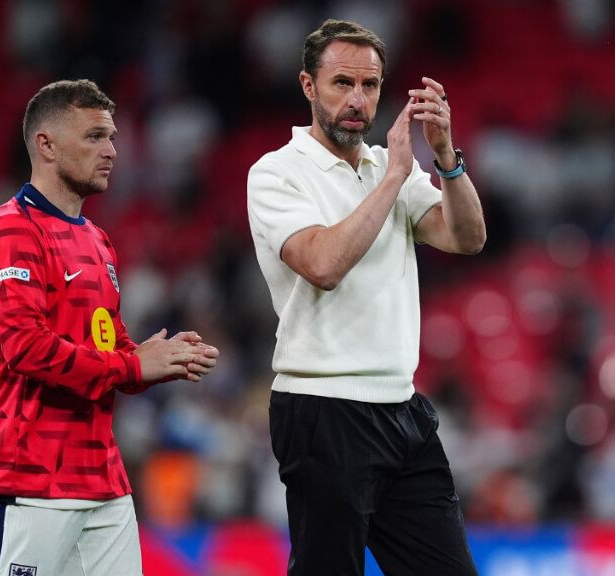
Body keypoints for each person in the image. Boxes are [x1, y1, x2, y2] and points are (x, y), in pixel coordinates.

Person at [247, 19, 486, 575]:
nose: (358, 100)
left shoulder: (387, 167)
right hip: (321, 407)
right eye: (342, 83)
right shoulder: (277, 173)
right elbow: (323, 265)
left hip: (401, 407)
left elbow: (467, 238)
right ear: (309, 86)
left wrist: (446, 158)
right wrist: (396, 175)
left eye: (371, 86)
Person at [0, 79, 219, 576]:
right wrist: (130, 363)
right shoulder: (10, 228)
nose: (112, 151)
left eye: (112, 137)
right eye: (95, 137)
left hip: (104, 484)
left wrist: (152, 360)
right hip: (28, 482)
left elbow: (106, 345)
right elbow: (27, 347)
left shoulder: (99, 242)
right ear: (46, 144)